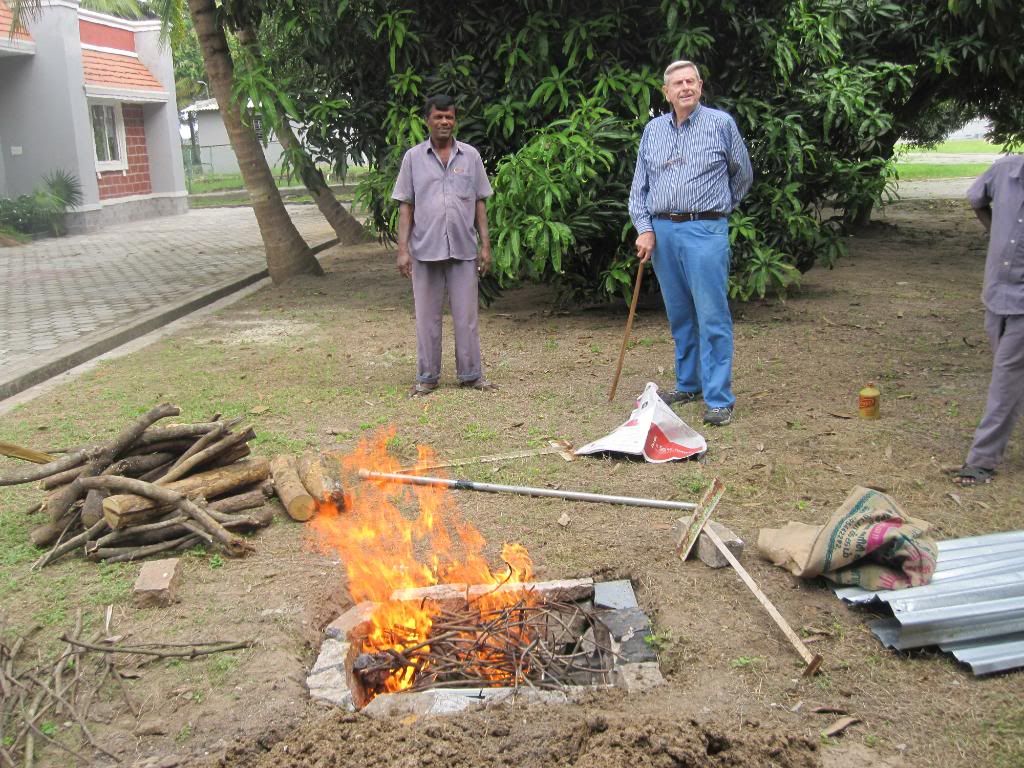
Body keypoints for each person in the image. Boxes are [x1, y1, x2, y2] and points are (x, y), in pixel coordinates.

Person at [628, 60, 752, 426]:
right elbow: (639, 188)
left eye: (691, 81)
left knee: (712, 315)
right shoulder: (653, 131)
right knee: (680, 314)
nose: (685, 87)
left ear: (700, 86)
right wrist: (645, 228)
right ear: (666, 92)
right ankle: (688, 384)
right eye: (678, 83)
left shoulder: (720, 124)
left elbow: (742, 175)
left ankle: (719, 398)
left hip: (705, 230)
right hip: (663, 233)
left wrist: (717, 210)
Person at [392, 94, 497, 397]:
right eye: (438, 117)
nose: (444, 122)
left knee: (466, 318)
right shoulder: (413, 158)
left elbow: (479, 202)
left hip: (463, 249)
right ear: (427, 120)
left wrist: (485, 246)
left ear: (455, 120)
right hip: (425, 250)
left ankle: (471, 375)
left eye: (449, 117)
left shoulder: (470, 156)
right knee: (427, 319)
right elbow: (406, 206)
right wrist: (402, 250)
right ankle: (427, 377)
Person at [953, 154, 1024, 486]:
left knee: (1006, 376)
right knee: (1011, 375)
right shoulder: (1005, 171)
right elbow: (976, 199)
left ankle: (981, 461)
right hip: (996, 292)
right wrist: (996, 232)